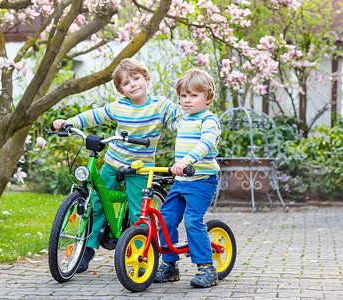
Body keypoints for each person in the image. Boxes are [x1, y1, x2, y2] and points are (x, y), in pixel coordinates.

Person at [52, 58, 182, 273]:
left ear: (147, 79)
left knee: (136, 210)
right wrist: (71, 122)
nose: (133, 85)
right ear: (121, 90)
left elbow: (180, 119)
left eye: (137, 79)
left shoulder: (160, 106)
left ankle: (140, 254)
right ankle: (88, 247)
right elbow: (95, 115)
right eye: (126, 83)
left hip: (140, 167)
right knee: (97, 203)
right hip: (113, 162)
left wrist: (191, 127)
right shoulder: (119, 106)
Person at [154, 68, 221, 288]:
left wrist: (186, 161)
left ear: (208, 98)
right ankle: (170, 265)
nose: (187, 100)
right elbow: (164, 122)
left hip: (202, 180)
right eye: (183, 96)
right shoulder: (183, 120)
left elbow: (207, 143)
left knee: (193, 220)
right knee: (166, 219)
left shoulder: (209, 120)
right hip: (182, 181)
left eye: (194, 95)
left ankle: (207, 268)